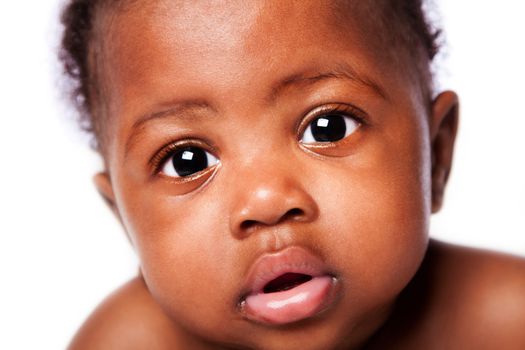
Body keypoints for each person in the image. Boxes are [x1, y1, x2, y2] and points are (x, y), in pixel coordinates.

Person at [60, 1, 525, 349]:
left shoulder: (507, 321)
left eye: (326, 128)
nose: (266, 201)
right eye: (188, 160)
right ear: (125, 218)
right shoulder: (125, 343)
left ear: (436, 154)